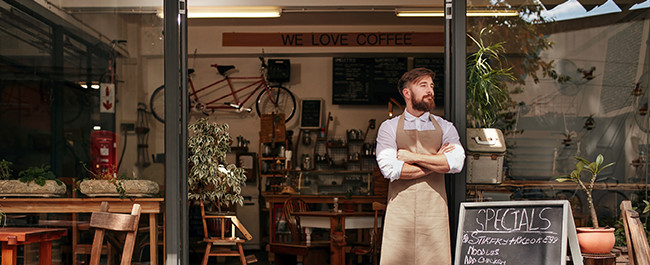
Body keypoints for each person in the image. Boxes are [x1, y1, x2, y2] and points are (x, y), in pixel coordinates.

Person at [375, 67, 465, 265]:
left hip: (435, 215)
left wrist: (411, 156)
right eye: (423, 85)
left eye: (431, 86)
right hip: (400, 215)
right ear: (407, 93)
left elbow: (457, 163)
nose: (430, 90)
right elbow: (391, 169)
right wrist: (437, 161)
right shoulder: (388, 127)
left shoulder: (446, 126)